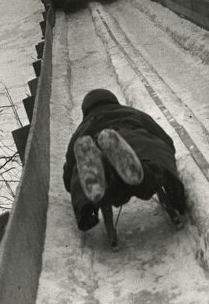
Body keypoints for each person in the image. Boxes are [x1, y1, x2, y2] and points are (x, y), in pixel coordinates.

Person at [63, 89, 186, 250]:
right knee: (150, 170)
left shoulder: (82, 129)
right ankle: (135, 167)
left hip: (100, 155)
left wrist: (79, 195)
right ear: (113, 101)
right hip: (137, 142)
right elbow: (165, 140)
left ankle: (98, 182)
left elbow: (68, 176)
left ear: (86, 111)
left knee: (95, 174)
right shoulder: (132, 113)